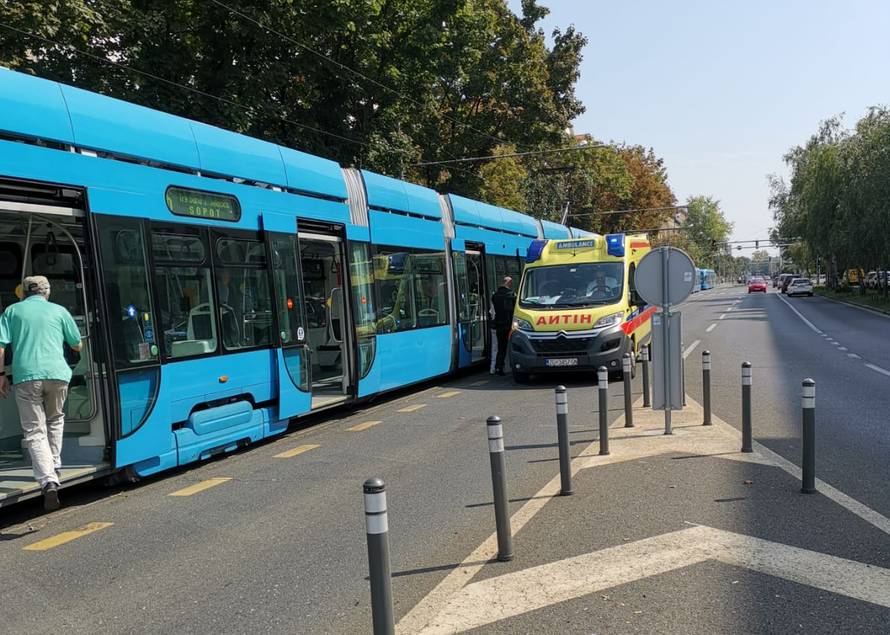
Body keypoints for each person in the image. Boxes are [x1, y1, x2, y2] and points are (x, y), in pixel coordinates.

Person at [0, 276, 82, 511]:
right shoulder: (59, 311)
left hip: (27, 376)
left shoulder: (12, 312)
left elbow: (1, 345)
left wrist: (1, 376)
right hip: (58, 374)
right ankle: (54, 466)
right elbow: (76, 345)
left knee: (34, 430)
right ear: (47, 292)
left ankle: (48, 481)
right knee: (55, 420)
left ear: (23, 293)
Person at [490, 276, 516, 376]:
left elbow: (493, 312)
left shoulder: (494, 296)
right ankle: (511, 367)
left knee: (501, 348)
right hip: (510, 326)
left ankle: (498, 367)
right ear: (509, 283)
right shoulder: (511, 295)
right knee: (512, 347)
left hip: (498, 325)